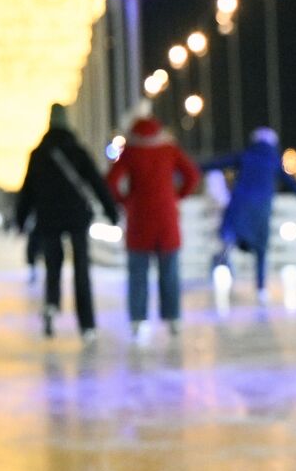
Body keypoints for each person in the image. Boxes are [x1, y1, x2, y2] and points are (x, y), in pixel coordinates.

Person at [15, 103, 121, 343]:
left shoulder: (38, 154)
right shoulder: (77, 150)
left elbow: (27, 191)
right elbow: (96, 182)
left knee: (53, 264)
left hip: (48, 217)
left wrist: (21, 220)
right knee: (81, 269)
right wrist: (111, 211)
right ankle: (87, 325)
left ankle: (51, 304)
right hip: (76, 217)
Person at [105, 112, 200, 342]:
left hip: (139, 220)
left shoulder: (130, 152)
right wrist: (176, 196)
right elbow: (192, 175)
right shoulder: (169, 149)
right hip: (166, 219)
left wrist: (125, 201)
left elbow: (111, 182)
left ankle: (138, 319)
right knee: (170, 273)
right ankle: (173, 318)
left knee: (138, 274)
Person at [203, 127, 296, 304]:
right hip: (261, 210)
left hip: (240, 206)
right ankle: (260, 288)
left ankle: (225, 251)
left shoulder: (246, 156)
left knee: (230, 235)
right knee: (261, 248)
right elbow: (293, 185)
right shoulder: (273, 160)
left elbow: (218, 163)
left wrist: (192, 167)